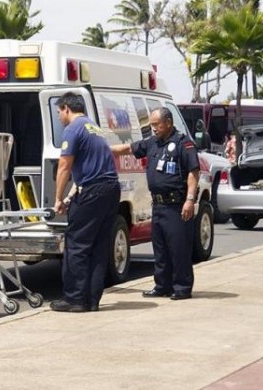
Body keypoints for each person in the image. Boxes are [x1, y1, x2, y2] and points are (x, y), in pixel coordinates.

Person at [111, 107, 199, 300]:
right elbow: (127, 149)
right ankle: (162, 286)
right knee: (160, 249)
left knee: (179, 249)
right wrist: (103, 150)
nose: (153, 129)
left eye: (156, 125)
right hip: (158, 206)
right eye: (151, 125)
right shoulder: (152, 143)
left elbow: (193, 173)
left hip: (177, 205)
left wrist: (190, 200)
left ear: (168, 122)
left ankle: (182, 288)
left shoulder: (184, 144)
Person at [50, 92, 121, 313]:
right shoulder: (93, 127)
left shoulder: (72, 129)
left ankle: (75, 299)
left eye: (59, 112)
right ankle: (92, 299)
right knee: (98, 247)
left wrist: (58, 198)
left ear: (66, 109)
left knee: (77, 245)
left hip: (93, 192)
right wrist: (71, 196)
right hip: (110, 189)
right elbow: (89, 167)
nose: (60, 116)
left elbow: (64, 166)